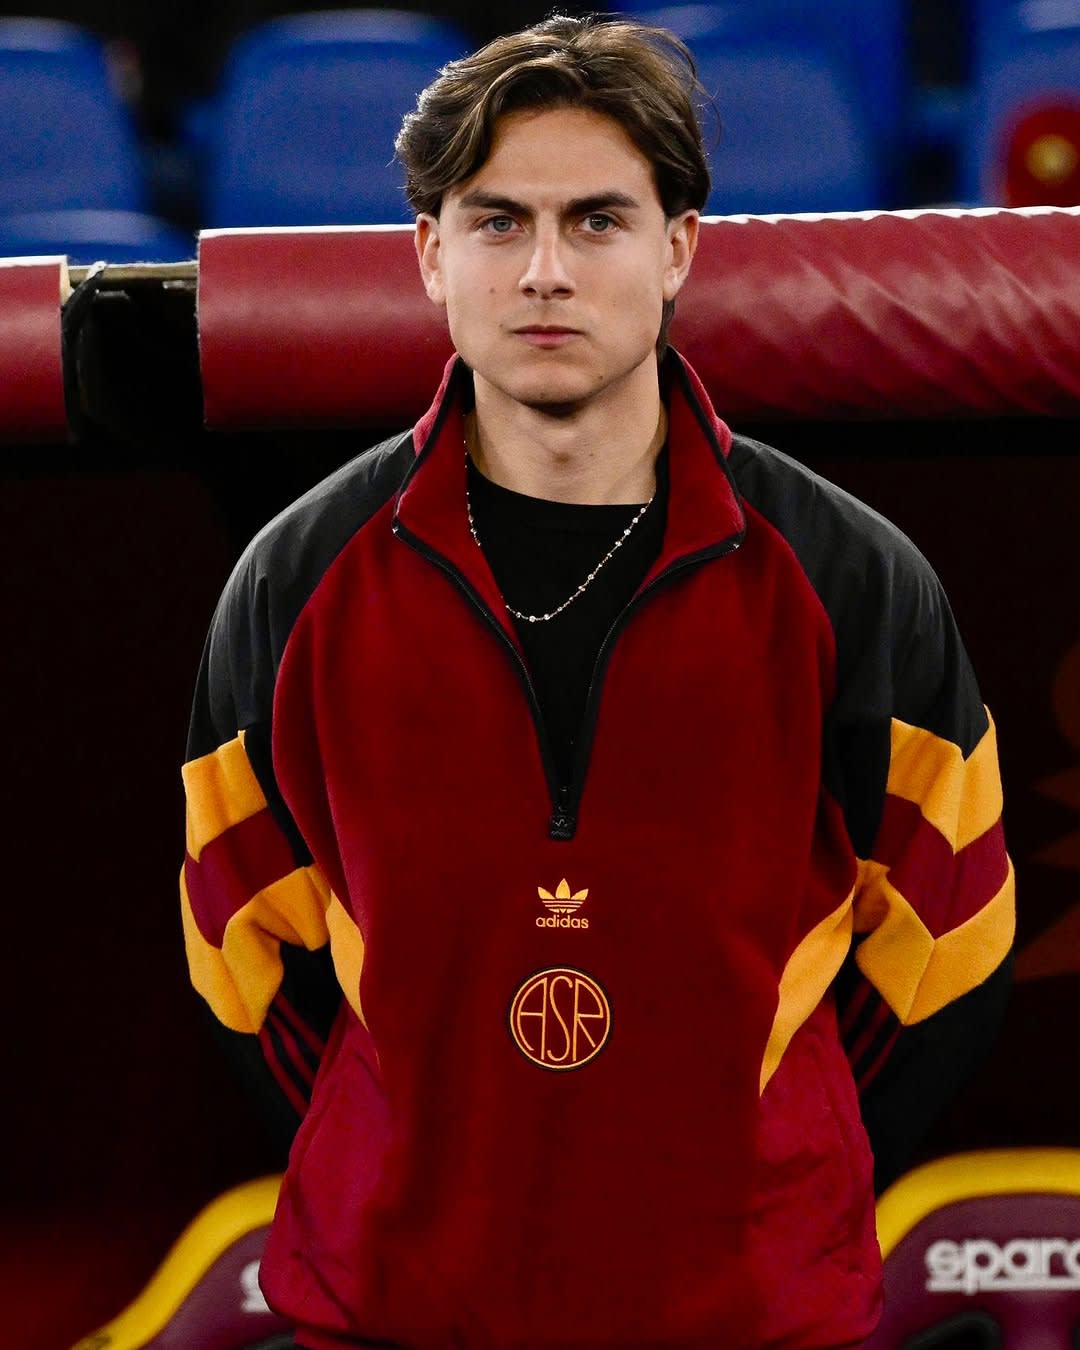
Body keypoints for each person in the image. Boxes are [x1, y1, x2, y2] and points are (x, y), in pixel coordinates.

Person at [179, 16, 1015, 1348]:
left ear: (678, 249)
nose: (546, 272)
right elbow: (240, 951)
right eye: (498, 222)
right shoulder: (297, 582)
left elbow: (948, 947)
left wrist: (760, 1161)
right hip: (398, 1313)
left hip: (751, 1318)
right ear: (431, 254)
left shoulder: (851, 579)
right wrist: (405, 1158)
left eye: (598, 221)